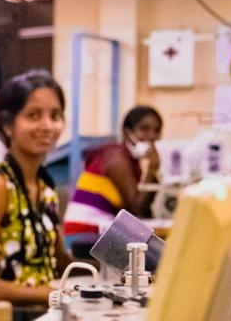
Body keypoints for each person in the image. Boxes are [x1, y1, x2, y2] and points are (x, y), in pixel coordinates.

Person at [0, 70, 72, 306]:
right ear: (8, 125)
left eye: (55, 116)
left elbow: (59, 262)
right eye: (33, 115)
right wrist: (53, 295)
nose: (47, 126)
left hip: (45, 313)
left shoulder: (45, 187)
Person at [62, 105, 163, 249]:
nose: (151, 136)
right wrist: (153, 169)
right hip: (84, 236)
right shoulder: (116, 158)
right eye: (144, 129)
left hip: (96, 234)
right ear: (127, 132)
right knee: (152, 260)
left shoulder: (130, 160)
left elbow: (142, 211)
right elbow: (136, 209)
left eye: (156, 131)